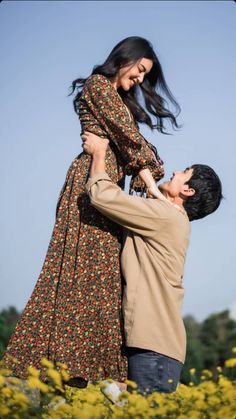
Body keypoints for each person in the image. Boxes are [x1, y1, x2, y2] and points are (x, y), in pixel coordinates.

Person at [3, 36, 180, 388]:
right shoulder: (99, 86)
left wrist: (147, 181)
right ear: (125, 59)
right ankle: (59, 366)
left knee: (99, 281)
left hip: (107, 184)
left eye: (147, 75)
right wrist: (155, 191)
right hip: (90, 185)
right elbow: (128, 138)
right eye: (140, 70)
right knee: (76, 273)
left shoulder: (117, 98)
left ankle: (81, 369)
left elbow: (130, 140)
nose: (142, 79)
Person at [83, 131, 223, 395]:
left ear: (187, 190)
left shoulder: (166, 217)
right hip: (155, 345)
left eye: (184, 172)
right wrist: (150, 186)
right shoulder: (169, 217)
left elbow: (102, 196)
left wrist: (99, 152)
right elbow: (146, 204)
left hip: (154, 348)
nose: (174, 172)